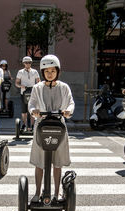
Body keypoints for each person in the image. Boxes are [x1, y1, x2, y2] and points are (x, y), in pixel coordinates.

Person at [28, 54, 75, 203]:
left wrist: (68, 111)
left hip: (59, 126)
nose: (50, 74)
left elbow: (71, 103)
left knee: (58, 162)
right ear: (42, 72)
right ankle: (37, 193)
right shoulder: (37, 87)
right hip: (41, 126)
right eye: (47, 71)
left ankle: (56, 193)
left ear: (57, 71)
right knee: (39, 162)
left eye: (53, 71)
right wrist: (33, 111)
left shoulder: (64, 87)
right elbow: (31, 103)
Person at [15, 56, 40, 131]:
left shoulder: (35, 72)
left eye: (29, 62)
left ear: (31, 63)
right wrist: (21, 86)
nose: (28, 64)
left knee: (32, 110)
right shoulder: (20, 72)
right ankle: (24, 125)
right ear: (23, 63)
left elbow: (38, 81)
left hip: (32, 93)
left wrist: (36, 86)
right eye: (26, 63)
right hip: (24, 93)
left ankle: (32, 126)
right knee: (24, 111)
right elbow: (16, 83)